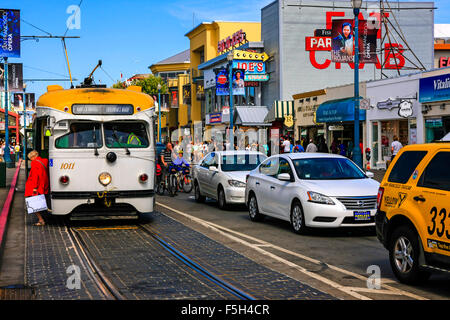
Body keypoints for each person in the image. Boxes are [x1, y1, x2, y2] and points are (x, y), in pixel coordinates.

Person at [25, 150, 49, 226]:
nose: (30, 160)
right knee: (40, 201)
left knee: (33, 203)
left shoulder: (35, 163)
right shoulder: (45, 161)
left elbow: (35, 176)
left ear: (33, 157)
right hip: (44, 184)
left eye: (30, 158)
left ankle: (41, 220)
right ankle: (42, 218)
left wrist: (34, 188)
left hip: (36, 186)